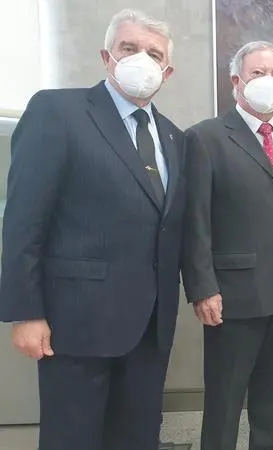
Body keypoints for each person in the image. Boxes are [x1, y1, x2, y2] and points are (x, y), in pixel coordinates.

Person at [0, 9, 184, 450]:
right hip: (77, 323)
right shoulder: (57, 111)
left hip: (150, 328)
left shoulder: (174, 138)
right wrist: (26, 312)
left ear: (167, 72)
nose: (141, 59)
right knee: (73, 438)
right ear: (107, 57)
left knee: (137, 437)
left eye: (154, 54)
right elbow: (24, 219)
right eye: (129, 48)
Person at [181, 41, 273, 450]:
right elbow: (195, 221)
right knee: (225, 396)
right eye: (258, 73)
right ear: (236, 81)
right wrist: (202, 287)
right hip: (232, 293)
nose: (268, 81)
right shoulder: (205, 138)